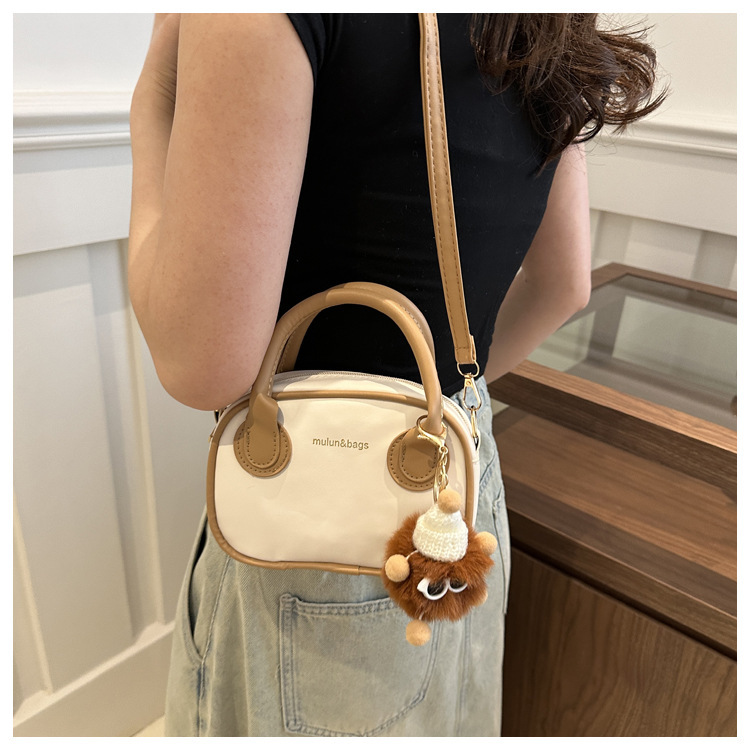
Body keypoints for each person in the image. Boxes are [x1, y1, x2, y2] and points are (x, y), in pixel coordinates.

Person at [129, 13, 664, 736]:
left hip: (313, 520)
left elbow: (199, 367)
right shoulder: (543, 18)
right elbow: (564, 285)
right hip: (459, 494)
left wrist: (151, 106)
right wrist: (433, 412)